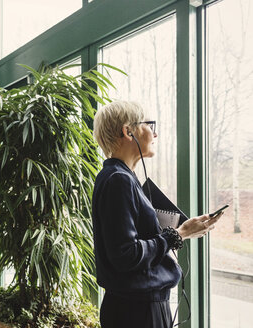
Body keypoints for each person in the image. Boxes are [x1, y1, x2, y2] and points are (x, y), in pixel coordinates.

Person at [92, 100, 223, 328]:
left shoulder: (120, 176)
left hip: (133, 308)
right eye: (150, 125)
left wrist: (184, 231)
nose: (156, 133)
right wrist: (177, 234)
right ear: (128, 130)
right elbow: (126, 254)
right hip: (137, 313)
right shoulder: (118, 180)